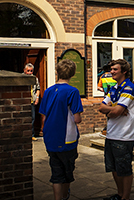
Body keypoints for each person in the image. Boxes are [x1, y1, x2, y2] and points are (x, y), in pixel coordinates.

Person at [39, 59, 83, 200]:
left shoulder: (48, 91)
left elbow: (44, 116)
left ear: (57, 71)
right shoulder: (73, 91)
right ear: (73, 74)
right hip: (66, 139)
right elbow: (77, 119)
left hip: (50, 137)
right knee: (67, 173)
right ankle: (64, 196)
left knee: (56, 173)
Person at [99, 59, 134, 200]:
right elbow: (101, 107)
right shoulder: (114, 88)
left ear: (124, 71)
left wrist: (112, 110)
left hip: (124, 135)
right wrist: (114, 110)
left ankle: (125, 197)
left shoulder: (128, 88)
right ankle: (120, 194)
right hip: (111, 134)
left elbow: (115, 112)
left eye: (115, 69)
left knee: (124, 169)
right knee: (114, 168)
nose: (112, 72)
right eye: (111, 69)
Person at [97, 62, 116, 137]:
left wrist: (104, 90)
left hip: (107, 97)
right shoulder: (115, 76)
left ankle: (108, 130)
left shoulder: (103, 76)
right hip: (116, 97)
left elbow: (99, 87)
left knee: (108, 115)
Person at [24, 62, 41, 140]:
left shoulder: (34, 78)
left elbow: (38, 89)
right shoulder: (21, 78)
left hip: (32, 100)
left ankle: (32, 135)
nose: (30, 73)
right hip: (24, 101)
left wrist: (37, 98)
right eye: (28, 71)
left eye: (31, 71)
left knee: (32, 118)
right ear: (24, 70)